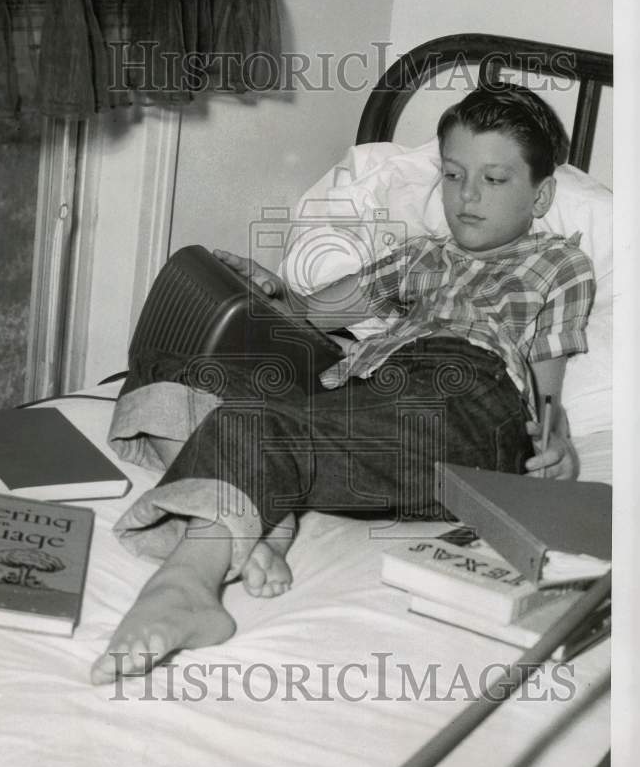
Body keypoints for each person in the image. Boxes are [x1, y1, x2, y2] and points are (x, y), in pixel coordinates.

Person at [90, 82, 595, 686]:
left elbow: (545, 386)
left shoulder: (558, 264)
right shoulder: (419, 257)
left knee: (261, 421)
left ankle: (185, 585)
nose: (467, 197)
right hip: (368, 391)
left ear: (541, 196)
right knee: (167, 366)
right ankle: (254, 522)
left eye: (494, 180)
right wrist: (267, 291)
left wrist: (555, 447)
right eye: (455, 174)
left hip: (467, 406)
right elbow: (311, 313)